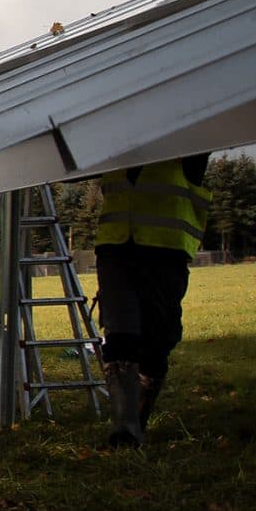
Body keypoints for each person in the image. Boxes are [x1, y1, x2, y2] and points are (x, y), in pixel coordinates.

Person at [94, 155, 210, 447]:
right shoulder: (110, 142)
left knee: (157, 342)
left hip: (165, 254)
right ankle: (125, 427)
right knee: (119, 337)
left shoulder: (188, 146)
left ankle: (137, 416)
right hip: (116, 249)